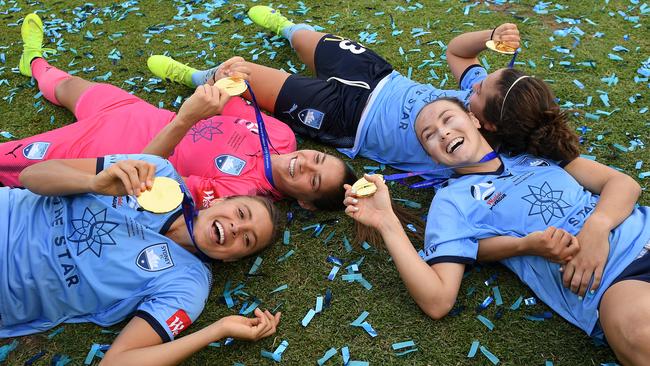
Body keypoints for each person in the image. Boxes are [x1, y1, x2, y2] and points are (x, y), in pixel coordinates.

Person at [343, 98, 649, 365]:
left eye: (448, 119)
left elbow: (623, 184)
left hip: (641, 229)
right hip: (614, 281)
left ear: (474, 120)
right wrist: (388, 223)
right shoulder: (451, 202)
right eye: (430, 136)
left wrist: (596, 229)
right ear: (433, 157)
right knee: (639, 335)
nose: (443, 132)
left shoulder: (530, 150)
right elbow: (437, 300)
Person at [148, 6, 575, 181]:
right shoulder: (478, 103)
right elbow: (456, 52)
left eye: (479, 88)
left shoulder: (469, 150)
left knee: (242, 74)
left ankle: (194, 77)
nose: (474, 83)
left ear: (487, 123)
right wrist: (489, 36)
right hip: (378, 75)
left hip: (345, 117)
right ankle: (284, 26)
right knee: (309, 40)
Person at [2, 13, 357, 211]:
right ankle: (32, 61)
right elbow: (224, 99)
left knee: (9, 162)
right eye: (318, 160)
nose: (306, 164)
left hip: (105, 154)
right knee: (67, 87)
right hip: (138, 113)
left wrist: (188, 117)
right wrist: (226, 76)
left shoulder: (243, 195)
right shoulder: (282, 135)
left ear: (305, 203)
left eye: (312, 180)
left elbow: (155, 180)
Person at [1, 152, 282, 365]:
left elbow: (116, 361)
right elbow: (32, 175)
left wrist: (217, 330)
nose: (237, 228)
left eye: (247, 240)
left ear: (234, 259)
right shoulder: (159, 173)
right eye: (241, 214)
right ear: (218, 202)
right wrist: (92, 183)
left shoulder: (188, 286)